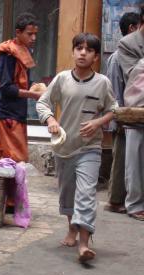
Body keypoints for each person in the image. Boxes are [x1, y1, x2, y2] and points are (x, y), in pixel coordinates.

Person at [36, 33, 116, 262]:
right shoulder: (62, 79)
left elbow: (113, 109)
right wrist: (51, 120)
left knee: (86, 193)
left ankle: (83, 243)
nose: (83, 53)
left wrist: (98, 122)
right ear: (73, 52)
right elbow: (43, 102)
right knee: (68, 193)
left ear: (96, 57)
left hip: (90, 148)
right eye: (79, 48)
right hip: (63, 147)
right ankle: (72, 227)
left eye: (88, 50)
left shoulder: (103, 83)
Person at [0, 12, 43, 162]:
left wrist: (35, 86)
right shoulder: (8, 54)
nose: (33, 38)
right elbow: (6, 88)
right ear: (18, 33)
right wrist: (33, 95)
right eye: (29, 34)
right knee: (14, 160)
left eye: (35, 34)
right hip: (8, 114)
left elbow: (23, 81)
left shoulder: (23, 50)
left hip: (18, 113)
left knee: (14, 161)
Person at [104, 12, 140, 214]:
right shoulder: (119, 56)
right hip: (124, 114)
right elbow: (115, 89)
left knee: (126, 158)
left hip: (128, 113)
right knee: (121, 158)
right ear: (133, 28)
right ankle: (115, 200)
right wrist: (116, 116)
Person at [123, 58, 144, 221]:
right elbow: (134, 92)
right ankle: (135, 205)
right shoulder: (142, 64)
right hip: (137, 120)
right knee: (135, 167)